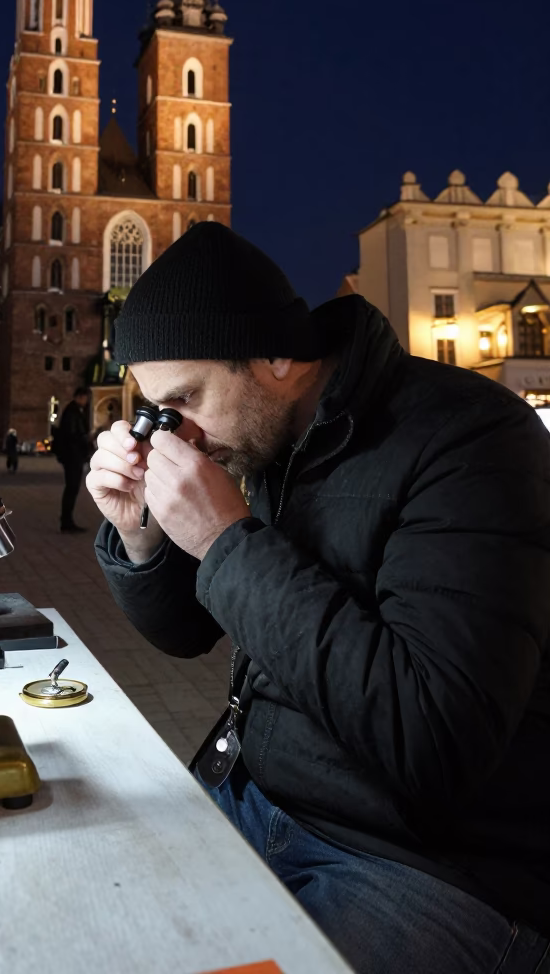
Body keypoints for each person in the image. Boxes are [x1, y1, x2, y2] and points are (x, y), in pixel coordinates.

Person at [86, 222, 550, 974]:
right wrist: (140, 538)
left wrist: (227, 539)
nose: (182, 437)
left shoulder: (473, 438)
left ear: (274, 354)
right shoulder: (271, 438)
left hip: (430, 866)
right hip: (261, 797)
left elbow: (433, 737)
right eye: (158, 410)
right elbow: (187, 633)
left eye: (187, 399)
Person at [56, 386, 92, 533]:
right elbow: (73, 434)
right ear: (79, 397)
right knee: (72, 487)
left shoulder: (73, 410)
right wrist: (86, 440)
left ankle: (67, 519)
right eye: (85, 398)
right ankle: (66, 521)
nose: (86, 401)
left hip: (73, 455)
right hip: (72, 456)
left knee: (72, 488)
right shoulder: (73, 412)